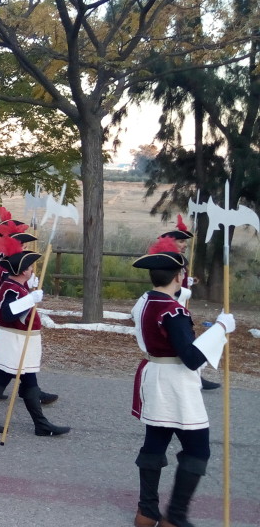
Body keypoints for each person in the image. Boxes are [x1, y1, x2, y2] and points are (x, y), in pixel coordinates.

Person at [129, 236, 233, 527]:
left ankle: (146, 513)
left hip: (154, 373)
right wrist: (221, 329)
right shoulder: (172, 311)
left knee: (155, 441)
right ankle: (174, 517)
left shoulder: (146, 301)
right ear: (179, 275)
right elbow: (191, 358)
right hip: (176, 381)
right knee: (198, 449)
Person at [0, 234, 69, 437]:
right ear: (22, 270)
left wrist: (30, 294)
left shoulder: (18, 286)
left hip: (23, 340)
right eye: (29, 267)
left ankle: (41, 424)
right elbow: (8, 313)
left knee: (30, 381)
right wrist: (30, 300)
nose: (32, 269)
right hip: (13, 340)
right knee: (1, 379)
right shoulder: (11, 288)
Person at [159, 215, 221, 391]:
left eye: (185, 242)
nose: (184, 245)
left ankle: (196, 375)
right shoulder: (169, 261)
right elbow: (168, 286)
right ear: (171, 242)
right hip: (172, 308)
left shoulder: (179, 260)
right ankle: (195, 376)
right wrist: (185, 291)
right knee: (187, 344)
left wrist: (188, 281)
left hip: (179, 305)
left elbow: (178, 281)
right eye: (180, 242)